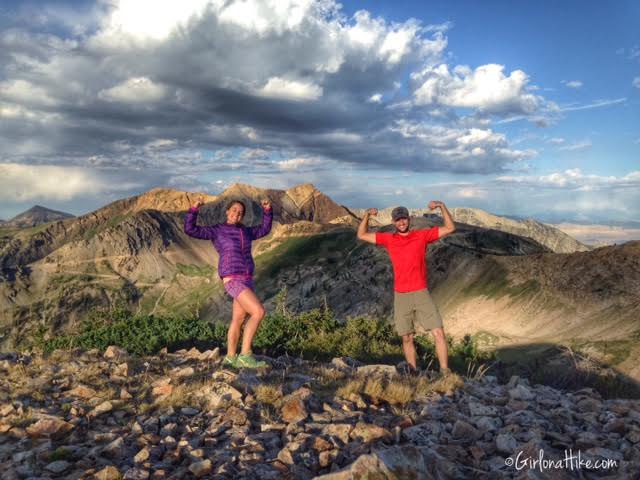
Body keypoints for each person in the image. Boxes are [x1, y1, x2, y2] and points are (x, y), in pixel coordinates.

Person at [357, 201, 456, 375]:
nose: (401, 222)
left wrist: (441, 206)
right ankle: (412, 372)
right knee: (406, 337)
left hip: (420, 292)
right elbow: (362, 235)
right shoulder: (389, 239)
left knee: (438, 331)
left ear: (409, 219)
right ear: (393, 222)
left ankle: (444, 371)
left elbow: (449, 228)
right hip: (401, 295)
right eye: (398, 220)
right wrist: (366, 215)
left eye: (404, 219)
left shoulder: (422, 235)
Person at [184, 196, 273, 369]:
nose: (237, 214)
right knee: (258, 312)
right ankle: (246, 355)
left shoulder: (246, 231)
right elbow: (190, 229)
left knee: (238, 319)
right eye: (234, 210)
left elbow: (264, 229)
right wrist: (194, 209)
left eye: (240, 212)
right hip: (232, 278)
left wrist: (267, 210)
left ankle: (231, 357)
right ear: (227, 211)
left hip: (247, 278)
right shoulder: (217, 230)